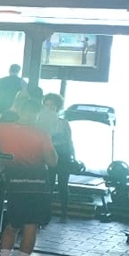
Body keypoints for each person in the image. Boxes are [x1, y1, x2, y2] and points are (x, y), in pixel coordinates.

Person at [0, 98, 58, 256]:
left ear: (19, 110)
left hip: (15, 183)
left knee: (12, 224)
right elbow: (52, 161)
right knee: (30, 226)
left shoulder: (2, 128)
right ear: (37, 114)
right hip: (38, 185)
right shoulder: (42, 133)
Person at [40, 93, 76, 222]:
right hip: (49, 154)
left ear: (57, 107)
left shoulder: (63, 123)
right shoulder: (42, 122)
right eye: (47, 105)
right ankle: (46, 213)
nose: (49, 108)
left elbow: (69, 140)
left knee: (63, 185)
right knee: (48, 184)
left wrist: (73, 155)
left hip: (63, 156)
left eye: (52, 105)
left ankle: (64, 213)